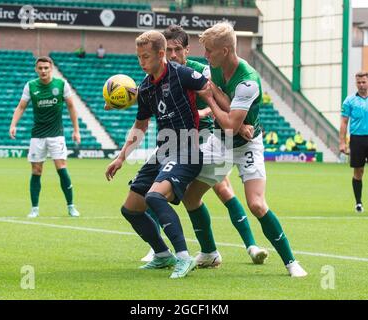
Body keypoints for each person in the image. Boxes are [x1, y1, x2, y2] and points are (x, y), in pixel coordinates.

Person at [182, 22, 307, 277]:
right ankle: (209, 252)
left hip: (247, 146)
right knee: (190, 197)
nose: (205, 56)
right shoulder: (212, 68)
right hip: (220, 144)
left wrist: (208, 96)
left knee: (257, 204)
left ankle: (291, 262)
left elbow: (229, 124)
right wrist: (212, 89)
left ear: (225, 50)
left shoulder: (248, 82)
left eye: (209, 51)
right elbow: (186, 67)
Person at [140, 24, 268, 266]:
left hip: (204, 135)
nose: (173, 55)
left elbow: (218, 98)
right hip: (176, 139)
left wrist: (233, 124)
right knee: (158, 185)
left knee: (222, 189)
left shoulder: (199, 71)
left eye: (178, 49)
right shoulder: (159, 74)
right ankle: (158, 248)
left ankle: (250, 245)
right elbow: (148, 95)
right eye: (168, 50)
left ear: (188, 51)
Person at [105, 30, 212, 279]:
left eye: (145, 57)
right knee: (130, 208)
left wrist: (226, 116)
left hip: (186, 147)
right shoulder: (145, 88)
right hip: (163, 150)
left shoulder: (181, 73)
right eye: (139, 57)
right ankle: (163, 254)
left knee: (154, 196)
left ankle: (184, 257)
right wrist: (121, 157)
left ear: (161, 54)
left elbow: (209, 89)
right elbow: (141, 125)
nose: (141, 62)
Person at [9, 56, 81, 218]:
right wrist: (13, 125)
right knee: (36, 170)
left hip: (57, 135)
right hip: (38, 136)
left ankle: (71, 206)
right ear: (36, 69)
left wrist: (76, 130)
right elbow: (21, 107)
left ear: (51, 69)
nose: (43, 71)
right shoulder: (31, 86)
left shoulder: (61, 85)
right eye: (40, 68)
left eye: (46, 68)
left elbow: (71, 106)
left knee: (61, 168)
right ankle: (34, 208)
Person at [340, 71, 368, 213]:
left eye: (363, 82)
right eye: (359, 82)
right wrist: (342, 143)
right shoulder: (349, 101)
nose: (361, 85)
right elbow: (344, 122)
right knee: (359, 170)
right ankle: (358, 203)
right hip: (357, 139)